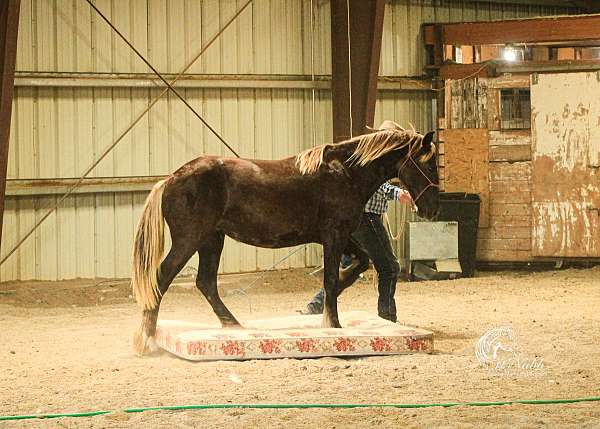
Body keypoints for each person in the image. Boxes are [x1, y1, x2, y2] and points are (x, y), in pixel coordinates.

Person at [302, 182, 414, 322]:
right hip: (367, 217)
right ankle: (387, 318)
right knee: (389, 268)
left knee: (354, 266)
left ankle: (315, 306)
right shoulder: (374, 162)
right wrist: (397, 193)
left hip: (352, 218)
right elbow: (376, 184)